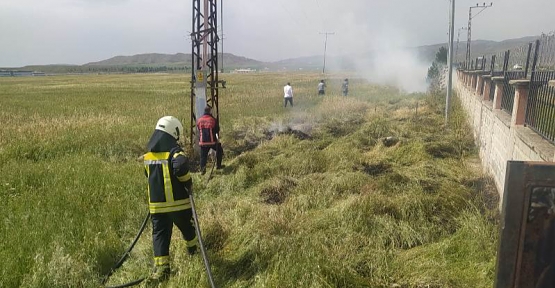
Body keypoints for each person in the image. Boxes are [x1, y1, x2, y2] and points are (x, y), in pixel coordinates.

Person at [143, 116, 198, 282]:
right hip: (178, 205)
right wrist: (187, 182)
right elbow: (181, 167)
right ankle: (194, 254)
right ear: (173, 131)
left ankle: (163, 269)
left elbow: (148, 175)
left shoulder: (149, 154)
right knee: (189, 230)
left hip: (157, 207)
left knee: (160, 235)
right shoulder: (174, 152)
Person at [197, 106, 224, 174]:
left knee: (203, 156)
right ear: (210, 111)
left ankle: (202, 170)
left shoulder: (199, 120)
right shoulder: (213, 120)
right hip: (212, 142)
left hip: (202, 142)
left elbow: (198, 129)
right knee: (219, 150)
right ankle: (218, 165)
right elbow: (217, 129)